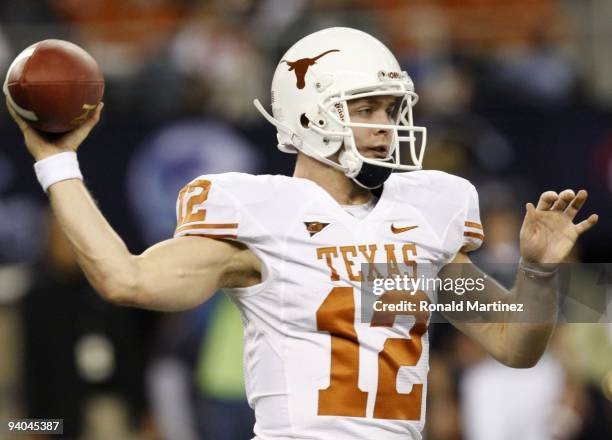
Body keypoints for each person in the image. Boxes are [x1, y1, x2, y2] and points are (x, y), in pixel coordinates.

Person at [7, 27, 598, 440]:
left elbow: (512, 345)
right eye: (365, 108)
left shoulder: (423, 216)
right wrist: (57, 163)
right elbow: (125, 277)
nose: (385, 127)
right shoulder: (261, 216)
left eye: (392, 110)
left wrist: (540, 272)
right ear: (310, 112)